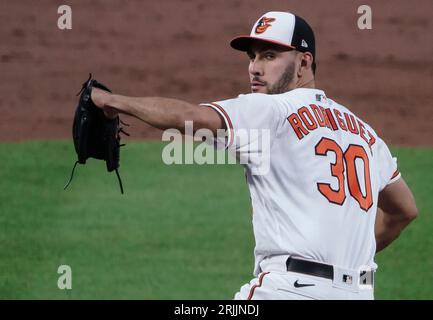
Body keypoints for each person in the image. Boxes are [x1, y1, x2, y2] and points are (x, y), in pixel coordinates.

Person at [90, 11, 418, 299]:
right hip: (359, 294)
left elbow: (190, 117)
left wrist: (113, 102)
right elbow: (404, 210)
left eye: (269, 56)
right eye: (253, 56)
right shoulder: (365, 133)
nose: (255, 68)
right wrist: (344, 262)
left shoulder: (270, 109)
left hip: (287, 290)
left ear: (304, 61)